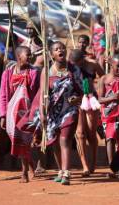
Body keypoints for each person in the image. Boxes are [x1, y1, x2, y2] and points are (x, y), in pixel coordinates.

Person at [40, 42, 83, 185]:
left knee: (65, 140)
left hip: (70, 110)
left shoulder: (74, 70)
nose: (60, 50)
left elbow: (84, 91)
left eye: (62, 48)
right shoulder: (47, 72)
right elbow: (42, 94)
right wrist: (42, 113)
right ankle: (60, 170)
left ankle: (66, 173)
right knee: (55, 143)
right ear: (52, 54)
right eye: (56, 49)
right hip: (53, 112)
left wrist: (77, 98)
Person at [0, 46, 40, 182]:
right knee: (17, 140)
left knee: (25, 141)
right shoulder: (8, 73)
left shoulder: (34, 73)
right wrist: (3, 115)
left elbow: (37, 94)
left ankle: (24, 173)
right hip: (12, 113)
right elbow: (3, 95)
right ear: (19, 57)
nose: (30, 57)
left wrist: (36, 112)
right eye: (27, 55)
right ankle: (32, 165)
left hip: (28, 112)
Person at [70, 49, 104, 176]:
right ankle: (84, 166)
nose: (75, 65)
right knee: (80, 134)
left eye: (76, 63)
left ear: (82, 60)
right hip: (77, 101)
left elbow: (103, 77)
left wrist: (100, 94)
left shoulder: (92, 64)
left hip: (91, 99)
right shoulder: (70, 67)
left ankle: (93, 164)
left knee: (91, 133)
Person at [97, 54, 119, 178]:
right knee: (110, 139)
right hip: (109, 114)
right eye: (118, 66)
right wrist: (112, 98)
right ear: (111, 65)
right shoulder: (104, 79)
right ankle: (112, 168)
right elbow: (100, 99)